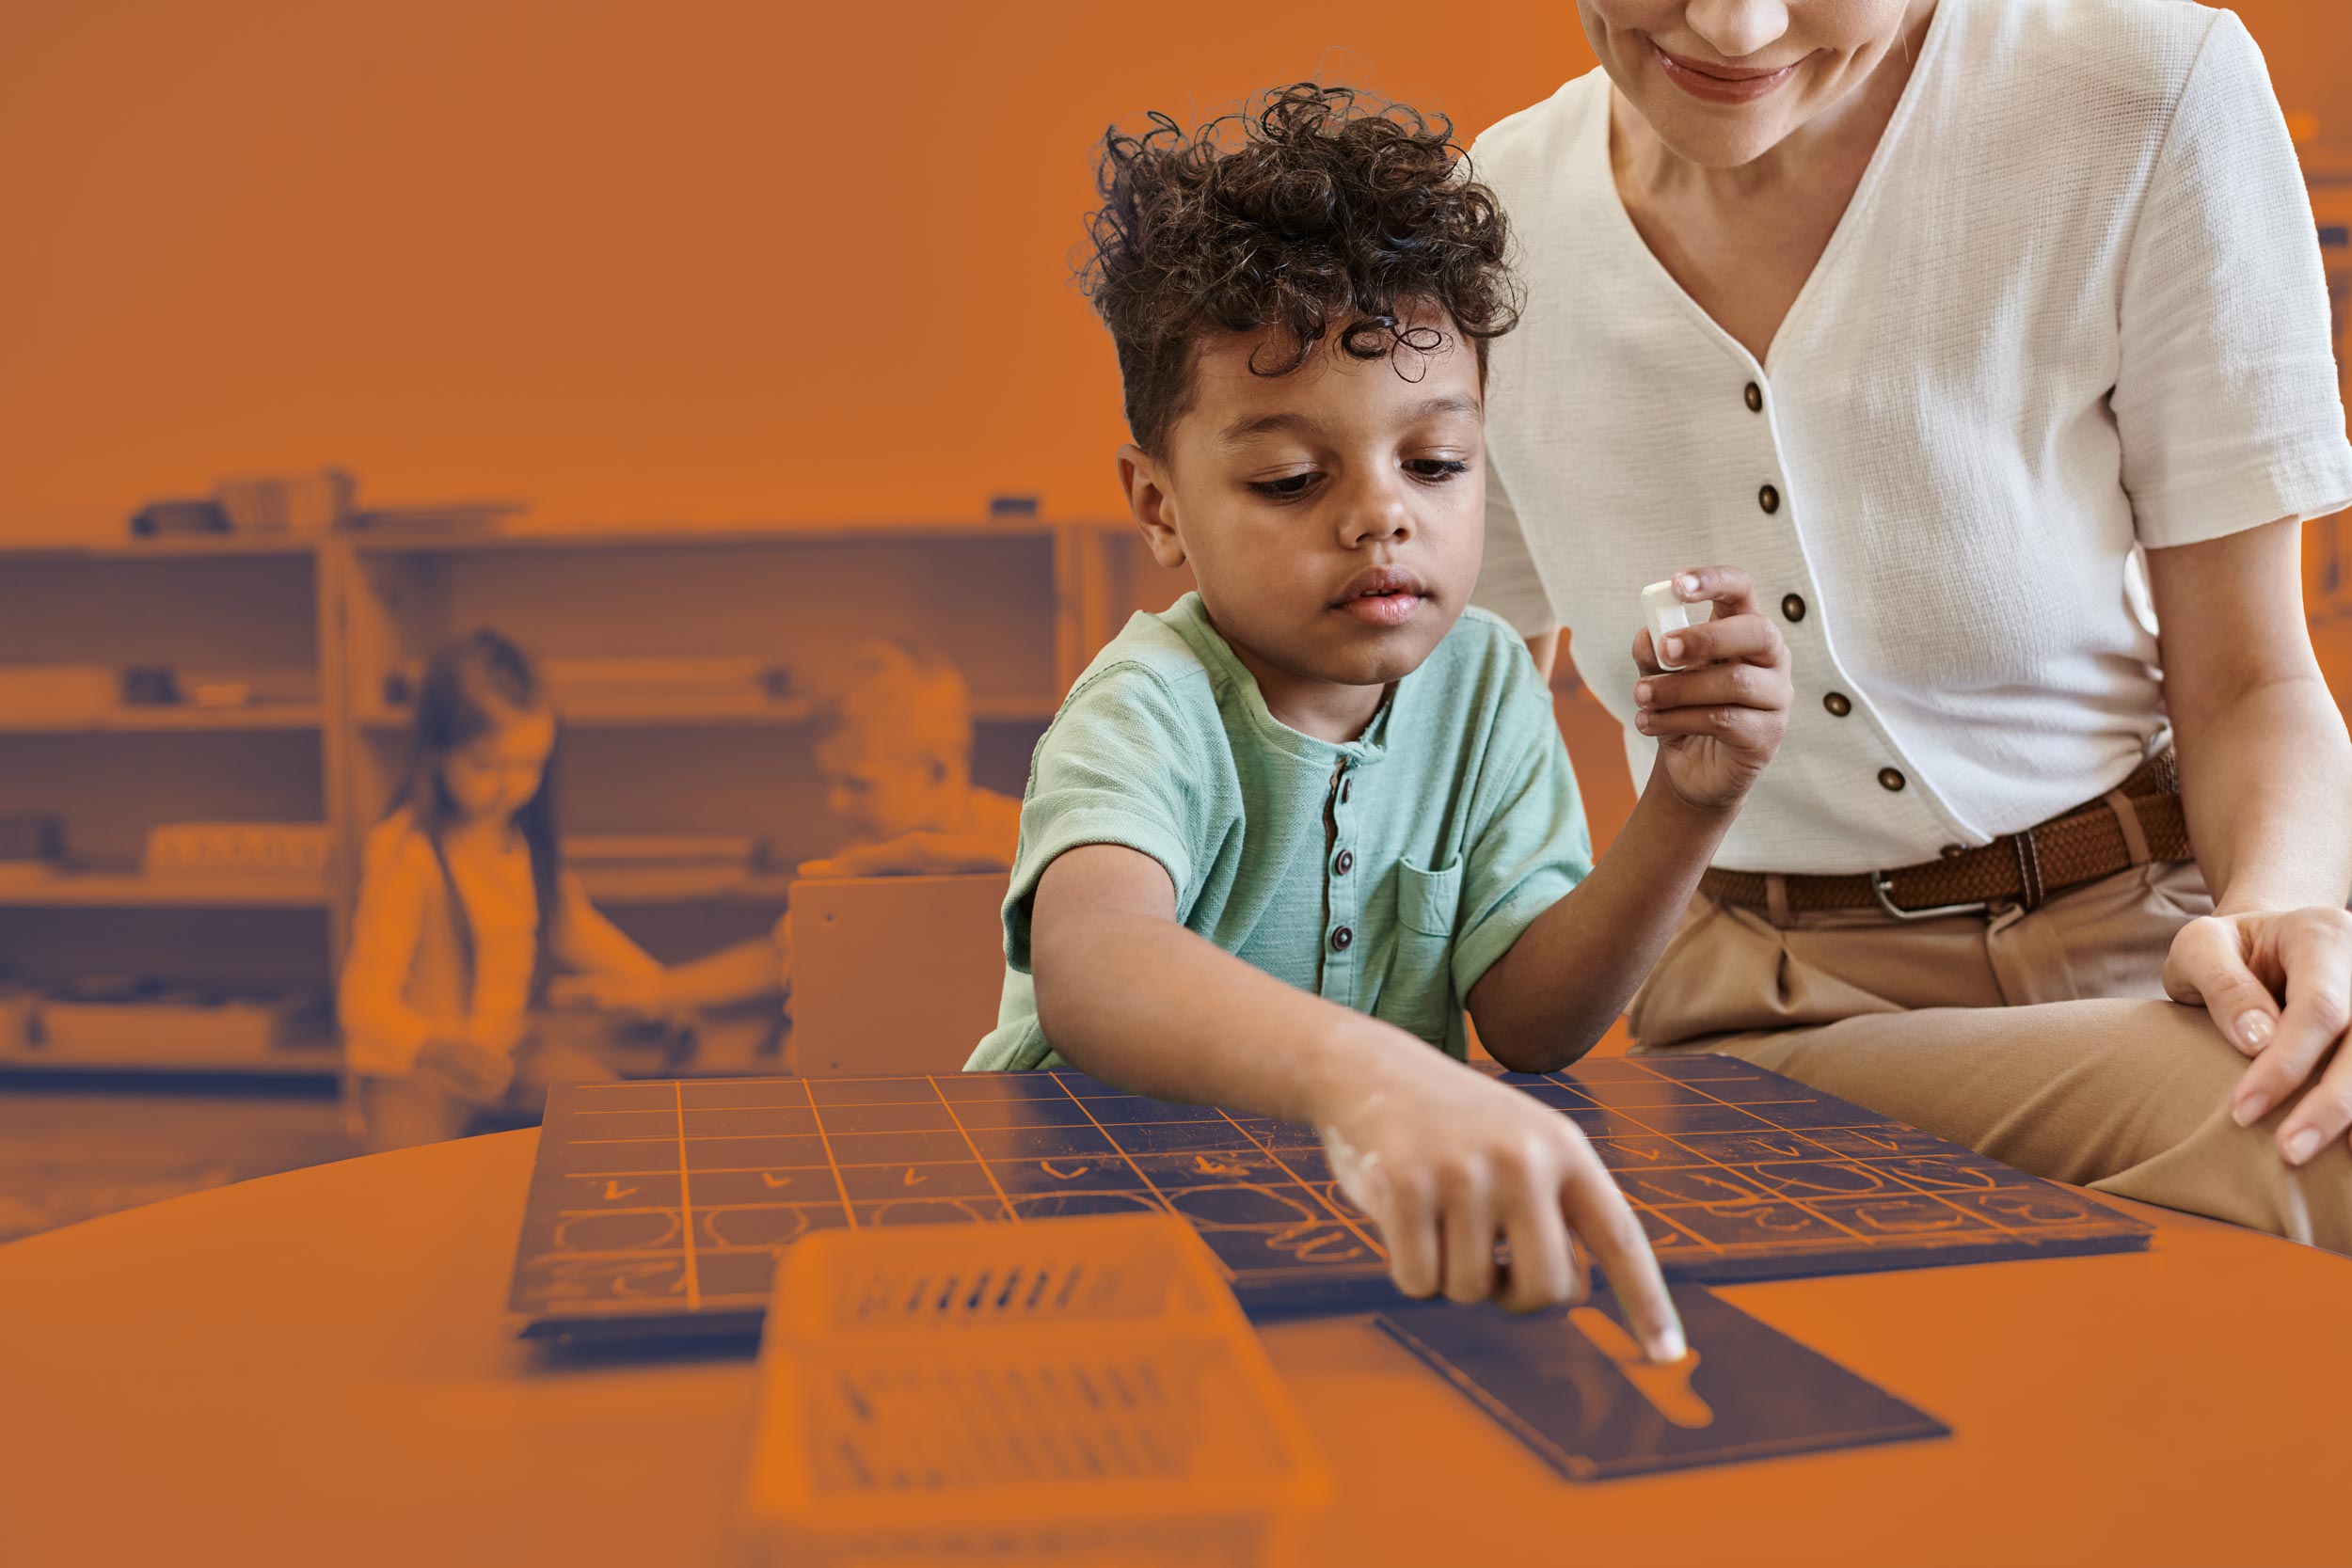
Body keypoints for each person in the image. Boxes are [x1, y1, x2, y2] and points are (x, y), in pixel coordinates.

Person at [1467, 0, 2352, 1246]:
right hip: (1764, 1018)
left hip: (2152, 956)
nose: (1734, 26)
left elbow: (2252, 680)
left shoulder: (2145, 93)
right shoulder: (1486, 227)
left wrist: (2279, 918)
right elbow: (1430, 724)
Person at [965, 84, 1801, 1355]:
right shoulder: (1152, 699)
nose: (1380, 515)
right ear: (1159, 505)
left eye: (1435, 463)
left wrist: (1689, 801)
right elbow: (1094, 968)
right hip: (1087, 1224)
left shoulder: (1484, 689)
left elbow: (1527, 1021)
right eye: (1292, 478)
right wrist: (1375, 1074)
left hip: (1334, 1221)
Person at [552, 639, 1022, 1014]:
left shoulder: (1023, 840)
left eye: (857, 784)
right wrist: (664, 990)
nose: (835, 803)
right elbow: (781, 950)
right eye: (830, 780)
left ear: (937, 769)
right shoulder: (860, 862)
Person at [339, 629, 668, 1151]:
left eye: (530, 766)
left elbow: (573, 927)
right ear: (437, 753)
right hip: (417, 1072)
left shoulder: (518, 839)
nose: (511, 787)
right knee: (409, 1201)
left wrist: (666, 990)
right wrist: (437, 1049)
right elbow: (363, 1003)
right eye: (487, 766)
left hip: (507, 1055)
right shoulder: (407, 854)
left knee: (619, 1120)